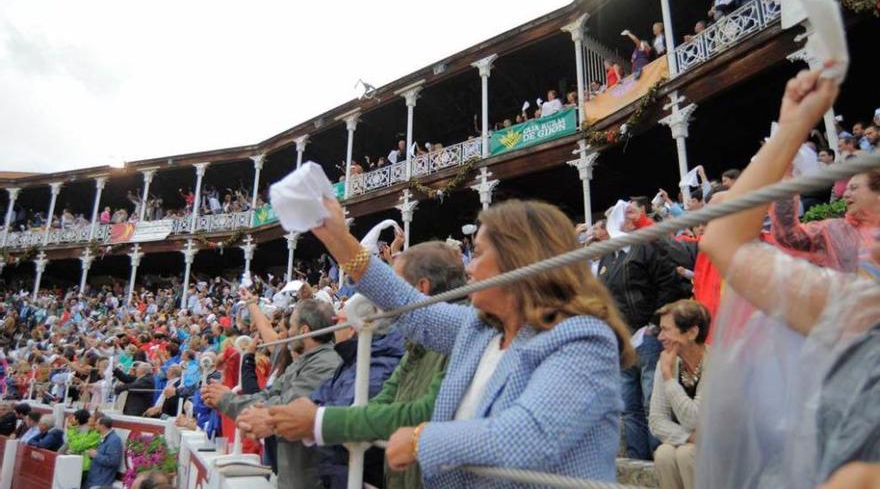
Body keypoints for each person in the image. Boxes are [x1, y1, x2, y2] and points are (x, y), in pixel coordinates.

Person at [302, 196, 634, 487]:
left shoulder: (583, 340)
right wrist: (337, 237)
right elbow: (406, 305)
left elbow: (529, 435)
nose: (469, 268)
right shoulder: (482, 330)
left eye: (477, 254)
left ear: (518, 259)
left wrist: (421, 440)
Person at [699, 64, 880, 487]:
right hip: (832, 340)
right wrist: (791, 132)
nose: (845, 191)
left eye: (857, 185)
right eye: (845, 185)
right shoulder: (856, 295)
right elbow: (751, 237)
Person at [269, 241, 464, 489]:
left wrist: (321, 421)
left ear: (421, 288)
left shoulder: (458, 335)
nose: (382, 302)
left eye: (394, 286)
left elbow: (426, 411)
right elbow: (382, 401)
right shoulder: (416, 344)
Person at [201, 299, 341, 489]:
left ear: (304, 331)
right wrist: (230, 399)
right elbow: (268, 395)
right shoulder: (306, 361)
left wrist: (227, 400)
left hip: (311, 477)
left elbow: (285, 407)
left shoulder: (326, 363)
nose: (288, 333)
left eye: (290, 327)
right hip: (294, 472)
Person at [598, 201, 683, 460]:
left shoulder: (645, 247)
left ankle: (660, 458)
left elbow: (669, 283)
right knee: (629, 407)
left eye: (615, 216)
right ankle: (638, 462)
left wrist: (654, 324)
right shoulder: (607, 256)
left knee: (652, 404)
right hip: (622, 341)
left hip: (646, 336)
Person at [649, 300, 711, 489]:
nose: (660, 337)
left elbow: (694, 418)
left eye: (666, 329)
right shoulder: (667, 362)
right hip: (693, 442)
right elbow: (656, 421)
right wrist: (688, 437)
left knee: (686, 454)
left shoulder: (718, 364)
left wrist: (668, 379)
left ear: (691, 332)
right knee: (664, 454)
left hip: (723, 447)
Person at [85, 416, 123, 489]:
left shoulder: (114, 440)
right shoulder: (103, 437)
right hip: (94, 477)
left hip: (102, 480)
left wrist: (96, 455)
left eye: (97, 424)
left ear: (102, 426)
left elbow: (113, 461)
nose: (95, 426)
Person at [66, 409, 101, 484]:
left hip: (85, 467)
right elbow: (77, 440)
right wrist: (72, 428)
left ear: (97, 422)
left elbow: (76, 446)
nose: (88, 419)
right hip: (79, 464)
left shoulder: (96, 435)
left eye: (91, 417)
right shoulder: (90, 431)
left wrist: (70, 430)